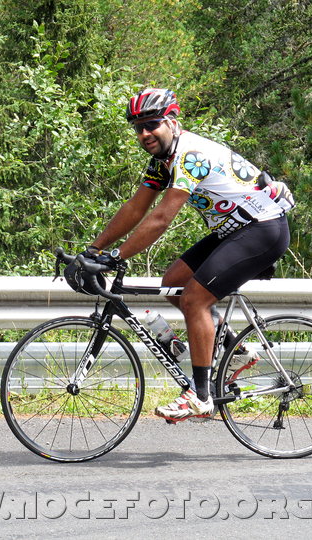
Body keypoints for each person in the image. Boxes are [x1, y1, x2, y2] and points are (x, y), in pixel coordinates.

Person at [72, 88, 294, 421]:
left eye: (152, 124)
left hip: (262, 228)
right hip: (235, 228)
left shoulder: (191, 154)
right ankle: (236, 350)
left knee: (194, 299)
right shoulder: (162, 161)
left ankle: (200, 396)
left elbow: (161, 218)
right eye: (138, 128)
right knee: (173, 281)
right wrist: (93, 250)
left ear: (172, 122)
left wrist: (116, 257)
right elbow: (136, 208)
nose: (145, 133)